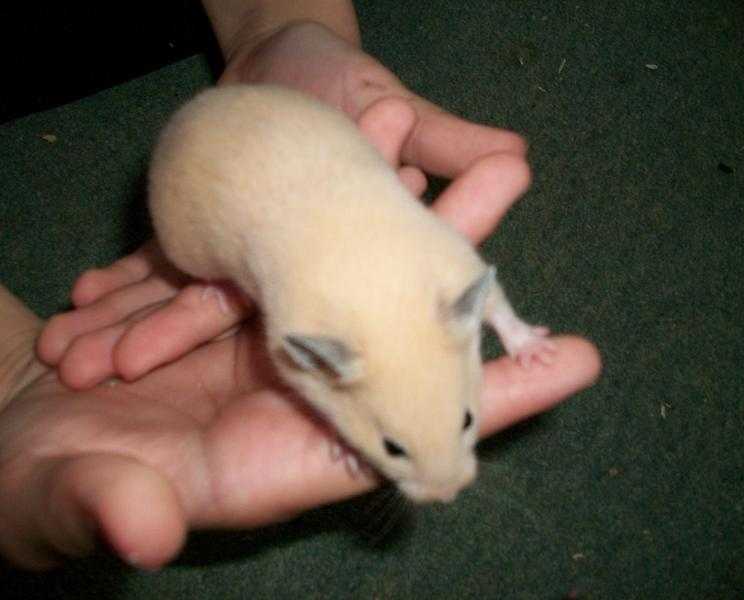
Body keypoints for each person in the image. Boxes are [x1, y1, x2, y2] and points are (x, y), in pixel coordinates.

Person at [0, 0, 601, 570]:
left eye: (466, 423)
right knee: (203, 241)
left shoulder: (429, 266)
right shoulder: (305, 327)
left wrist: (275, 27)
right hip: (199, 194)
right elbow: (296, 356)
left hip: (275, 130)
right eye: (395, 450)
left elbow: (472, 281)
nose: (447, 487)